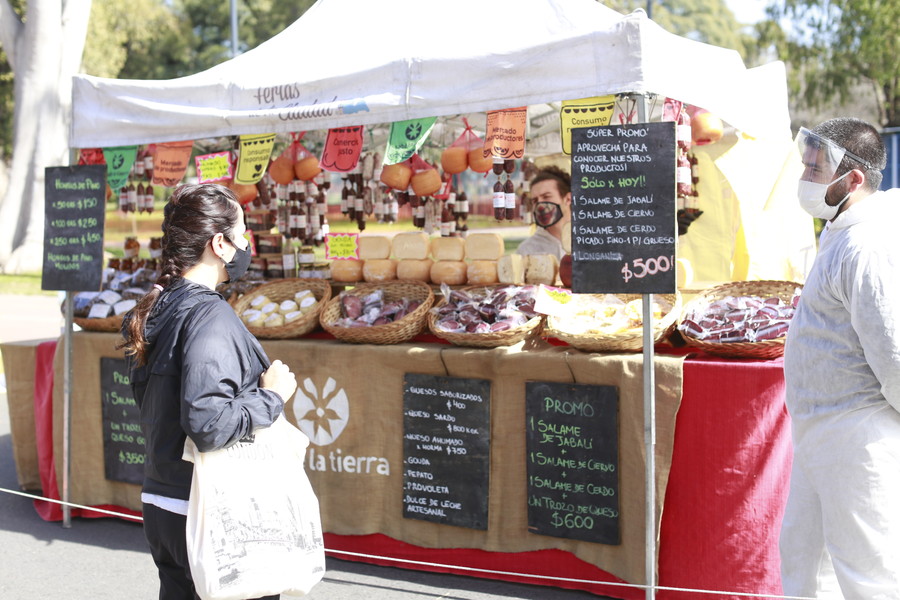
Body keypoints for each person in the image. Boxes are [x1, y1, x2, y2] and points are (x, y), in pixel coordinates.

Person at [120, 183, 298, 600]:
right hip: (209, 506)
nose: (245, 245)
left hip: (165, 500)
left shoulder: (155, 307)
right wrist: (270, 397)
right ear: (220, 244)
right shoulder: (209, 315)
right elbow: (208, 423)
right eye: (241, 235)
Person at [780, 117, 899, 598]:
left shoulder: (865, 244)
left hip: (856, 434)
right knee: (807, 568)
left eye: (815, 169)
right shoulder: (841, 228)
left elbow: (893, 353)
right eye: (806, 167)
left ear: (852, 180)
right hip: (820, 430)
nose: (806, 178)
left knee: (868, 577)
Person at [515, 166, 571, 260]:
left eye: (546, 197)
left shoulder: (591, 240)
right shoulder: (526, 251)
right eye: (535, 200)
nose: (540, 205)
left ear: (568, 199)